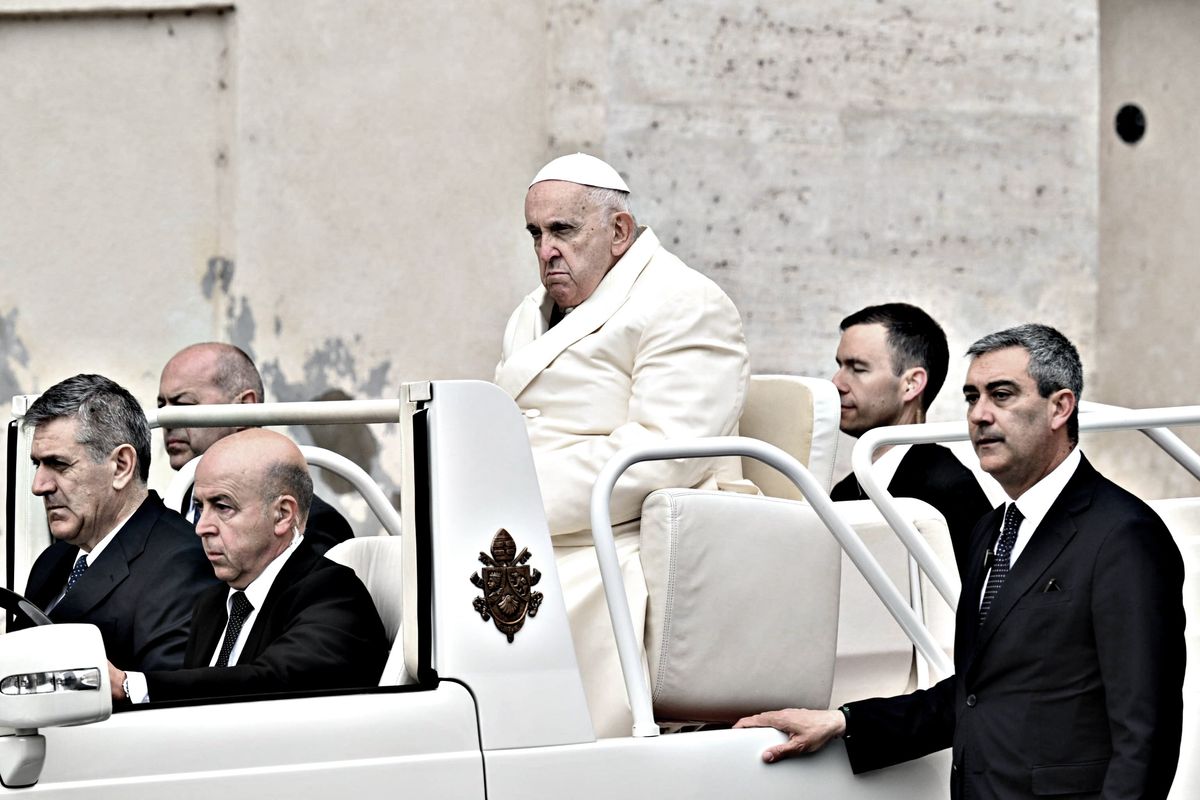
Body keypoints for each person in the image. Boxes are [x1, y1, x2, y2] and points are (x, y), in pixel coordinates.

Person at [736, 324, 1186, 800]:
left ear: (1060, 407)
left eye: (1002, 395)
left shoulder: (1124, 535)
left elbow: (1147, 732)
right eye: (972, 397)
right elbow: (975, 694)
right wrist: (845, 721)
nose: (980, 415)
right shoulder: (991, 531)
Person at [494, 153, 750, 737]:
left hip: (622, 526)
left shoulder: (686, 302)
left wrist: (515, 497)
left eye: (563, 230)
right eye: (535, 233)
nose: (545, 250)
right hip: (534, 515)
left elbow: (665, 454)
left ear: (618, 232)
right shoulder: (528, 315)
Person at [110, 429, 388, 704]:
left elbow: (272, 683)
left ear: (282, 515)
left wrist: (130, 686)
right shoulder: (214, 602)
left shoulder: (333, 593)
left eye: (222, 507)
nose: (201, 527)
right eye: (200, 507)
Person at [18, 374, 219, 671]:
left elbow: (168, 701)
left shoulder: (182, 563)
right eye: (38, 465)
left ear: (122, 466)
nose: (39, 485)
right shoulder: (53, 560)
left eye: (59, 465)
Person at [829, 303, 992, 576]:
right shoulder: (844, 492)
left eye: (857, 369)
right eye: (839, 366)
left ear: (911, 384)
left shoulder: (950, 492)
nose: (837, 383)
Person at [158, 342, 354, 555]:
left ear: (245, 408)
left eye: (184, 404)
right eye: (161, 406)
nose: (167, 420)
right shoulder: (168, 509)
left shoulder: (310, 524)